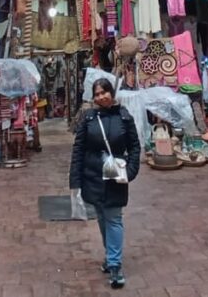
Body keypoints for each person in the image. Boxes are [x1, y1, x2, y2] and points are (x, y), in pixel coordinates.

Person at [69, 78, 141, 289]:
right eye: (97, 94)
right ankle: (111, 255)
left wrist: (130, 171)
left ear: (112, 92)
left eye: (104, 92)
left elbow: (135, 147)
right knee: (101, 215)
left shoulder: (124, 117)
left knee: (114, 216)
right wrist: (75, 180)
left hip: (116, 174)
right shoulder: (88, 118)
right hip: (92, 175)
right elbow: (78, 149)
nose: (101, 97)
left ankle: (115, 265)